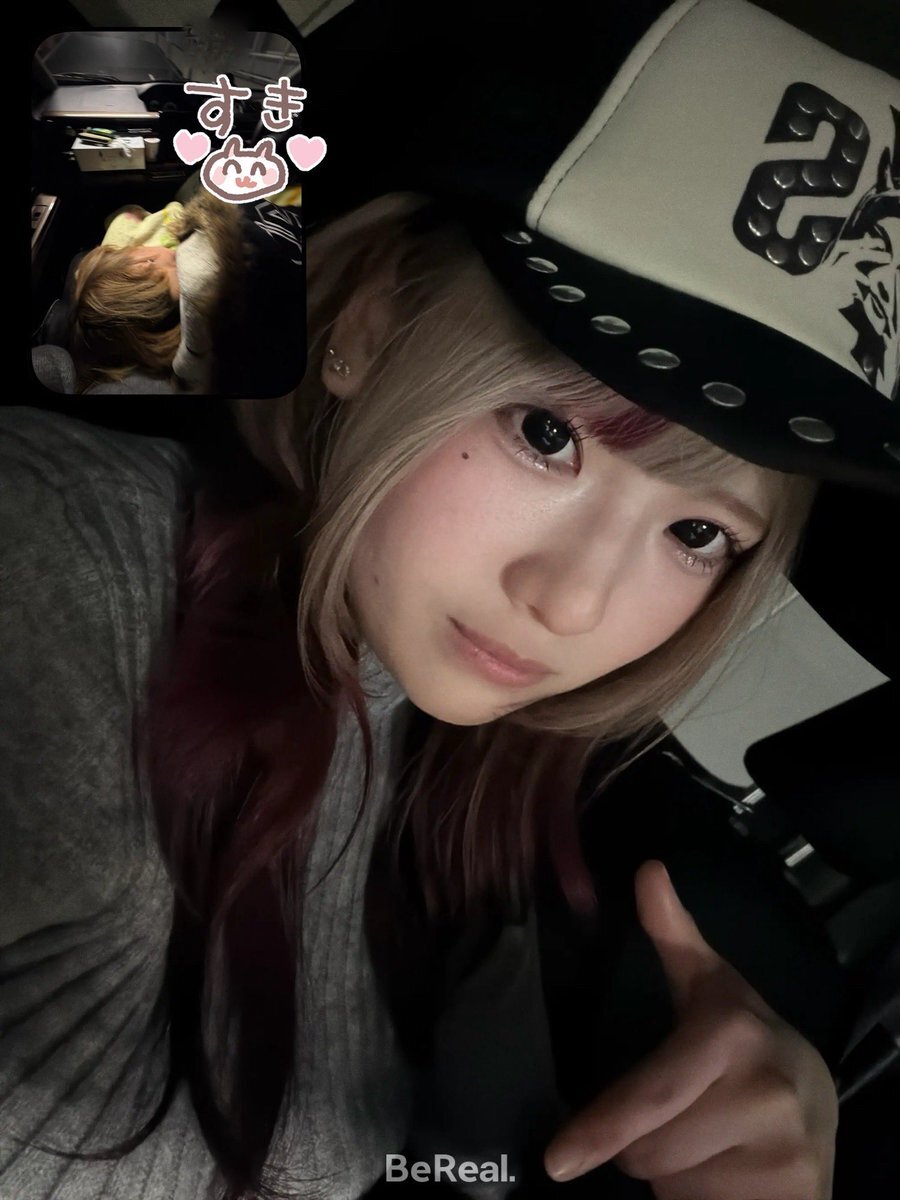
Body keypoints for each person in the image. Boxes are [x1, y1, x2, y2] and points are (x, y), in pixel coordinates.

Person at [6, 3, 897, 1200]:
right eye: (548, 435)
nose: (572, 604)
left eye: (697, 533)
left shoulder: (511, 796)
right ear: (369, 327)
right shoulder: (64, 570)